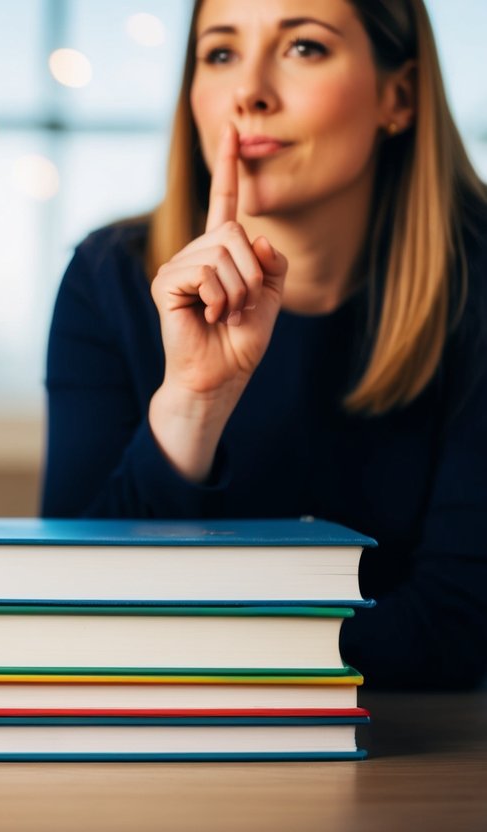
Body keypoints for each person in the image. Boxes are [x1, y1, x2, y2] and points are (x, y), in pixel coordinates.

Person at [41, 0, 487, 690]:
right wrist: (190, 401)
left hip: (416, 751)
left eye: (303, 48)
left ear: (396, 97)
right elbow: (68, 604)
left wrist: (189, 646)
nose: (248, 91)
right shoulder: (108, 278)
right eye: (219, 52)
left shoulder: (476, 283)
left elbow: (461, 626)